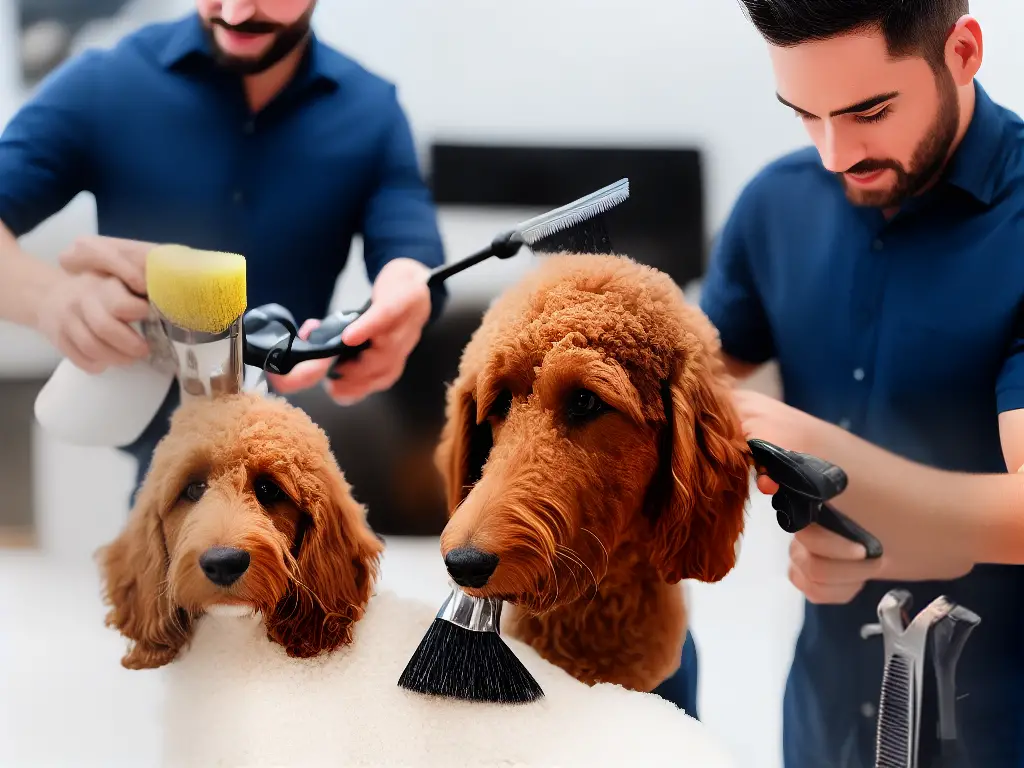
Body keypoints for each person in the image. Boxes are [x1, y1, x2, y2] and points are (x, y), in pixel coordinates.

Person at [699, 2, 1024, 766]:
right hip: (824, 717)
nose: (834, 154)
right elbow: (684, 398)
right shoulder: (773, 207)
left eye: (869, 111)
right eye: (804, 115)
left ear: (964, 50)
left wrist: (841, 471)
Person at [0, 0, 446, 493]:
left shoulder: (372, 113)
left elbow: (410, 251)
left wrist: (405, 298)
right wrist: (49, 300)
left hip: (299, 467)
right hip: (163, 479)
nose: (234, 13)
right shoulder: (105, 84)